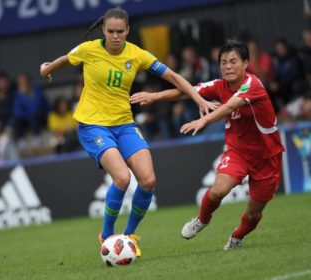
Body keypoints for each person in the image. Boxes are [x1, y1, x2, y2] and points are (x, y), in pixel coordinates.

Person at [40, 7, 216, 257]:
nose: (114, 36)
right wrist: (45, 70)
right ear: (103, 30)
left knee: (148, 180)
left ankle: (129, 235)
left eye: (119, 32)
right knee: (122, 178)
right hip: (93, 125)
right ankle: (108, 234)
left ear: (127, 31)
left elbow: (175, 77)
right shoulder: (88, 49)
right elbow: (63, 60)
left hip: (124, 124)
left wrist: (198, 100)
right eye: (110, 31)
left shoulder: (138, 54)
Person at [130, 40, 285, 250]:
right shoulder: (219, 85)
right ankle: (202, 220)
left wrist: (203, 120)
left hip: (267, 157)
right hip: (238, 151)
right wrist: (154, 96)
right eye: (223, 62)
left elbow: (231, 105)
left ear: (246, 63)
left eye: (233, 62)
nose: (228, 66)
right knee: (218, 191)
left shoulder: (253, 84)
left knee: (253, 212)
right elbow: (188, 91)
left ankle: (237, 237)